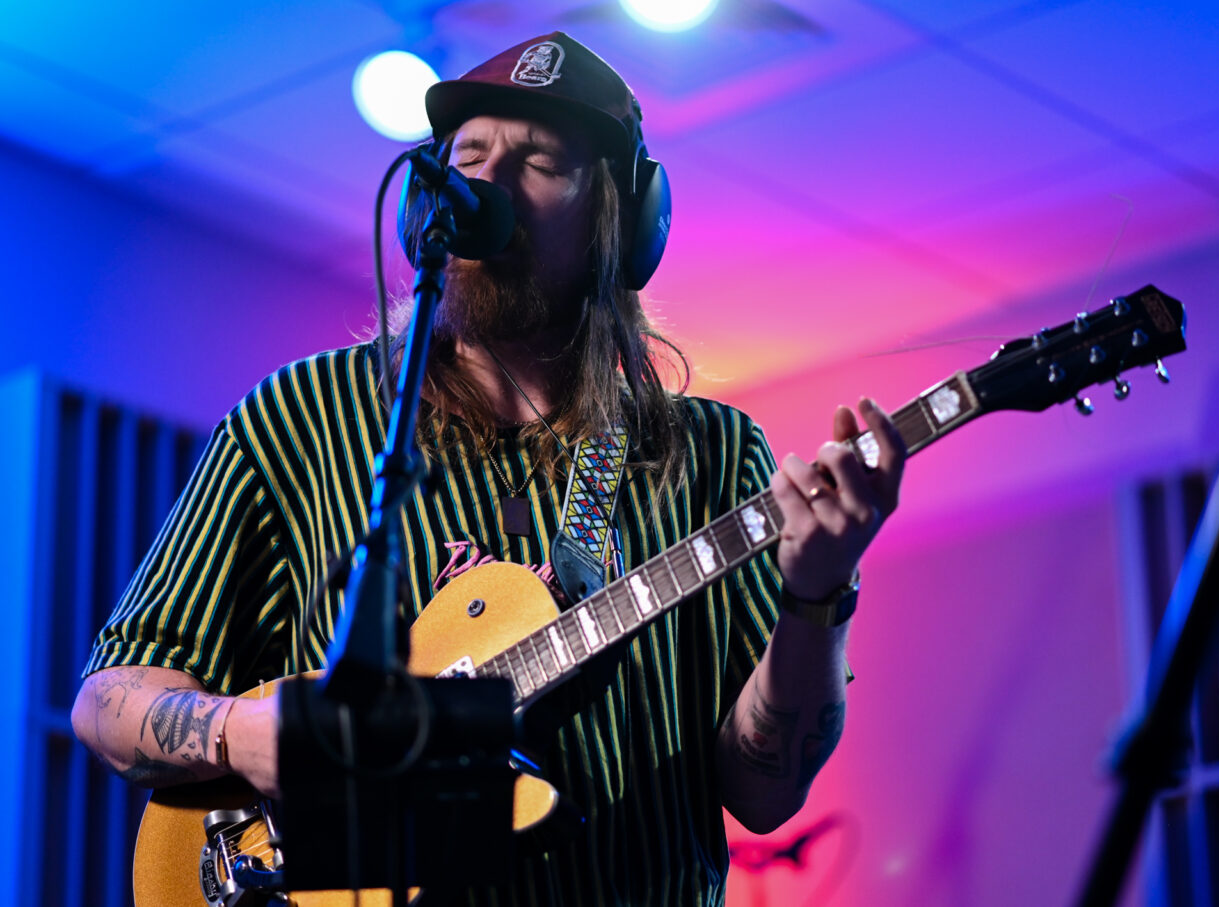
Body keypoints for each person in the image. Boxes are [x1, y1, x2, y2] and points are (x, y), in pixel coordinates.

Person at [71, 31, 905, 906]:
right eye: (470, 154)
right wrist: (241, 732)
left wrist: (818, 592)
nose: (490, 184)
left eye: (541, 160)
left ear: (621, 222)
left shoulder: (709, 455)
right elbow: (109, 698)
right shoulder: (302, 420)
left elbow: (766, 790)